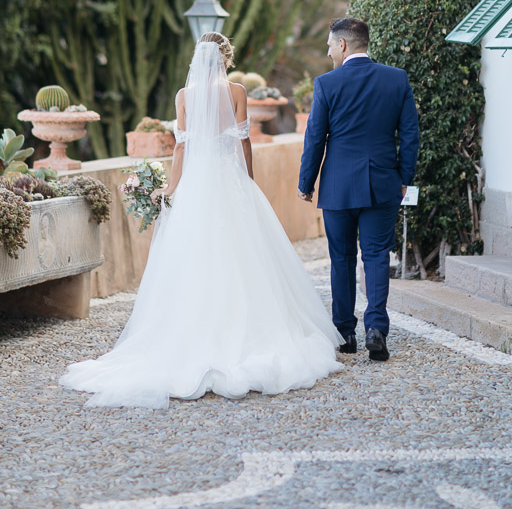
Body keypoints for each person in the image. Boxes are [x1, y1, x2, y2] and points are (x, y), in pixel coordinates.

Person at [60, 32, 343, 408]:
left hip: (196, 184)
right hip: (229, 180)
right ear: (225, 58)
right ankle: (246, 333)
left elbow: (181, 146)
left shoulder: (184, 96)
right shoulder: (238, 91)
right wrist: (248, 180)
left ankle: (189, 335)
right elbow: (244, 140)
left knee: (193, 257)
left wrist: (172, 188)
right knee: (243, 255)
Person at [298, 17, 419, 362]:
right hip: (383, 183)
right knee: (377, 255)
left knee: (341, 258)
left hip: (337, 185)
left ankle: (345, 332)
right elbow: (409, 135)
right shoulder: (396, 79)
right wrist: (402, 178)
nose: (327, 50)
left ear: (344, 45)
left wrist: (306, 182)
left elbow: (314, 139)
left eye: (330, 44)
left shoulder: (326, 84)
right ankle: (377, 328)